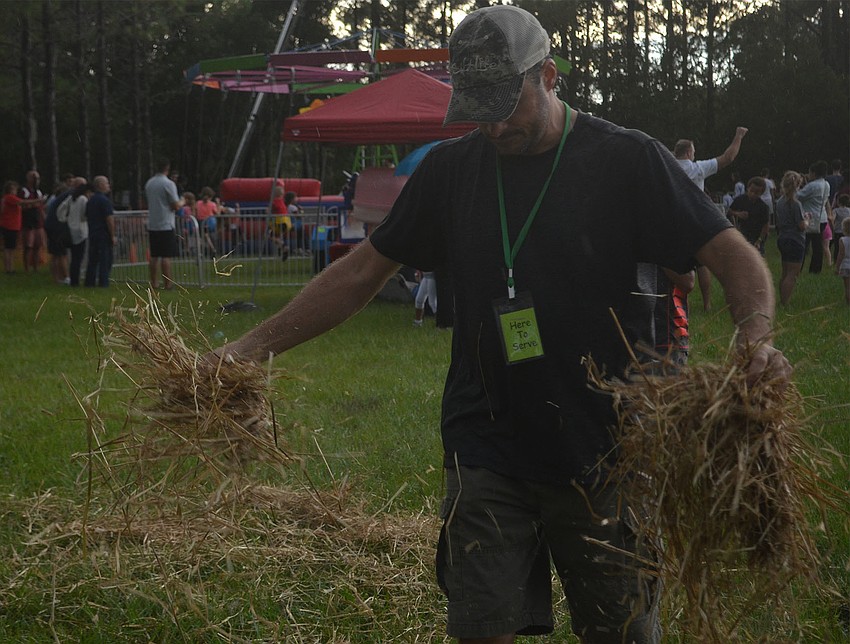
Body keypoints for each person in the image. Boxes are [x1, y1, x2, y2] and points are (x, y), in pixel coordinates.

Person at [210, 7, 791, 642]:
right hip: (485, 443)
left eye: (502, 103)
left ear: (548, 76)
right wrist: (249, 348)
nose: (489, 123)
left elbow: (731, 253)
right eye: (475, 106)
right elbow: (359, 274)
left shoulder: (628, 161)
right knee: (480, 628)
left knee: (622, 630)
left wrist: (755, 336)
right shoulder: (450, 170)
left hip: (609, 450)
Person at [673, 125, 748, 311]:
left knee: (678, 264)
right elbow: (728, 157)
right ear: (689, 152)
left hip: (674, 220)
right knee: (701, 264)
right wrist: (738, 135)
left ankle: (683, 303)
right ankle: (707, 305)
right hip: (695, 220)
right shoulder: (697, 168)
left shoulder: (668, 167)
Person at [144, 158, 184, 290]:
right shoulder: (168, 184)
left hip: (153, 223)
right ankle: (168, 284)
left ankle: (154, 283)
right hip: (166, 224)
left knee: (154, 256)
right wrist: (183, 201)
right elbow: (175, 205)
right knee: (166, 256)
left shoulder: (149, 183)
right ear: (167, 169)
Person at [774, 171, 807, 307]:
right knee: (792, 274)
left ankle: (782, 299)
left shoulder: (779, 202)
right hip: (795, 239)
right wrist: (808, 221)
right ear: (798, 185)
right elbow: (801, 225)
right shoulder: (795, 203)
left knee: (785, 272)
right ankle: (785, 302)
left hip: (782, 238)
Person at [797, 160, 832, 274]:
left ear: (813, 173)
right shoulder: (826, 184)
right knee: (817, 246)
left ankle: (798, 267)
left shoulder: (812, 185)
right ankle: (815, 270)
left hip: (810, 218)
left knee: (803, 244)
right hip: (822, 218)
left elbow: (798, 196)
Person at [1, 180, 43, 274]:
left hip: (13, 226)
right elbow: (23, 202)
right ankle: (8, 268)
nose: (16, 191)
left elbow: (22, 206)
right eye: (14, 189)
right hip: (9, 225)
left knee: (11, 248)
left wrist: (32, 205)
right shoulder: (10, 197)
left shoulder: (10, 199)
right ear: (10, 189)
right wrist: (38, 200)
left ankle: (10, 267)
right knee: (9, 248)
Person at [84, 176, 115, 288]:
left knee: (93, 259)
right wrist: (112, 235)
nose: (108, 186)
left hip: (93, 233)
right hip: (103, 234)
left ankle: (90, 282)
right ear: (101, 185)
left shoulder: (91, 200)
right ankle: (103, 282)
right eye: (106, 183)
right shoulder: (105, 201)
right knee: (105, 260)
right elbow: (109, 219)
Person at [62, 182, 94, 286]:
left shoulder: (71, 198)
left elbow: (60, 209)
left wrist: (64, 219)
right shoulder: (83, 199)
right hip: (81, 230)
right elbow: (84, 214)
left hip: (70, 229)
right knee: (78, 258)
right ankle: (75, 280)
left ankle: (73, 280)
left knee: (73, 258)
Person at [727, 176, 769, 252]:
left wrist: (759, 240)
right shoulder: (740, 199)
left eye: (756, 193)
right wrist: (738, 213)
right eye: (751, 191)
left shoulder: (763, 206)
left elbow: (765, 226)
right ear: (747, 188)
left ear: (761, 193)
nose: (753, 194)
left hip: (756, 236)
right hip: (742, 234)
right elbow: (729, 211)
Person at [19, 170, 45, 273]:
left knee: (37, 245)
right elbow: (23, 204)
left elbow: (40, 207)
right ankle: (27, 268)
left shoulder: (38, 192)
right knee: (28, 246)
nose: (36, 180)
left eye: (37, 178)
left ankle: (35, 267)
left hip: (38, 221)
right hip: (28, 221)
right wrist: (35, 203)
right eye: (34, 178)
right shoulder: (24, 191)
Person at [835, 217, 850, 305]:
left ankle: (848, 302)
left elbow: (841, 255)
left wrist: (837, 267)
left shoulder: (843, 240)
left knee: (848, 286)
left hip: (846, 266)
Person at [831, 193, 850, 263]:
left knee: (837, 248)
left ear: (839, 202)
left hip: (838, 231)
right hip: (847, 231)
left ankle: (836, 261)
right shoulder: (849, 210)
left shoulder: (836, 210)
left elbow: (832, 219)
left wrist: (833, 227)